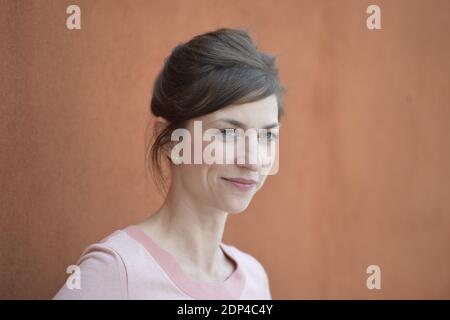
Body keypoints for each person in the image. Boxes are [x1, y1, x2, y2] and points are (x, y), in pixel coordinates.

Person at [54, 27, 285, 300]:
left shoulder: (255, 280)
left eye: (267, 135)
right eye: (228, 132)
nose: (253, 160)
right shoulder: (116, 272)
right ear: (172, 141)